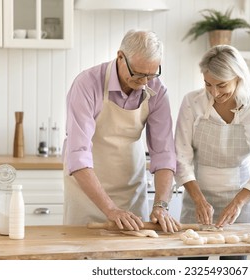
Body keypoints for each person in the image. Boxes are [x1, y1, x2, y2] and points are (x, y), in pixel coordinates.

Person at [63, 29, 179, 233]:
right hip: (87, 194)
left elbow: (164, 154)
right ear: (120, 57)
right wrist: (111, 210)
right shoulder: (87, 84)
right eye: (138, 75)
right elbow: (77, 154)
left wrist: (161, 204)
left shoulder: (157, 90)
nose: (144, 83)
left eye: (151, 75)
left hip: (131, 192)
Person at [175, 45, 250, 259]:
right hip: (198, 200)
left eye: (222, 85)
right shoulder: (192, 102)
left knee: (234, 266)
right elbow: (181, 157)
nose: (214, 92)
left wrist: (238, 203)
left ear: (238, 77)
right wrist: (199, 200)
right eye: (208, 84)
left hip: (242, 203)